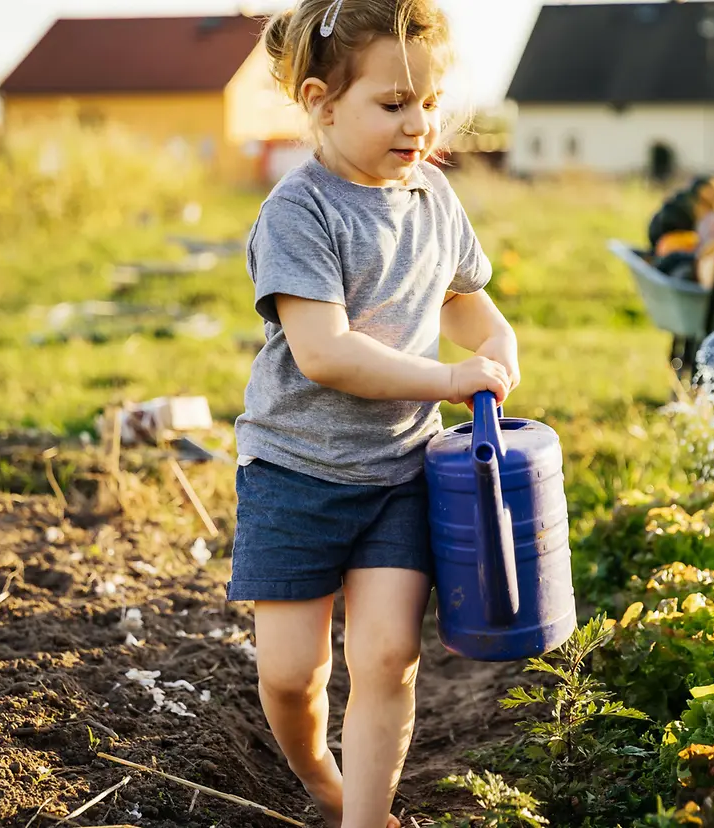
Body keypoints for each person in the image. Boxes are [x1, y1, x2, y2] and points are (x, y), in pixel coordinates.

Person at [228, 1, 518, 825]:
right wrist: (449, 379)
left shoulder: (432, 197)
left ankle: (366, 819)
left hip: (399, 473)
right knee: (292, 675)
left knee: (389, 657)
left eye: (429, 102)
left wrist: (498, 353)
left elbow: (473, 307)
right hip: (295, 474)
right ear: (322, 101)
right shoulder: (300, 211)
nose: (419, 124)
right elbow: (325, 353)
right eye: (393, 105)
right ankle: (323, 782)